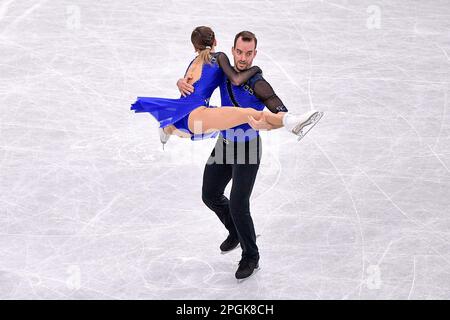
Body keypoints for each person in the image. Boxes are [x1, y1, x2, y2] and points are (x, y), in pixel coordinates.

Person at [176, 30, 321, 280]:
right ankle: (235, 231)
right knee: (209, 194)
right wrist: (181, 81)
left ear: (255, 53)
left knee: (239, 205)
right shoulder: (222, 71)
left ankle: (250, 256)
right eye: (240, 52)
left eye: (249, 53)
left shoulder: (256, 81)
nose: (243, 58)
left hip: (248, 149)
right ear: (232, 51)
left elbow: (272, 99)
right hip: (224, 144)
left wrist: (281, 116)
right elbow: (197, 80)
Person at [131, 26, 323, 150]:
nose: (241, 57)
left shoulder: (193, 62)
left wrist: (179, 81)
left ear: (194, 47)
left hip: (182, 116)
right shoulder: (219, 57)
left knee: (227, 118)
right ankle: (291, 122)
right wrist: (256, 68)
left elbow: (187, 89)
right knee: (247, 113)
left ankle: (167, 127)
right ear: (215, 42)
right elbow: (236, 79)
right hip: (196, 114)